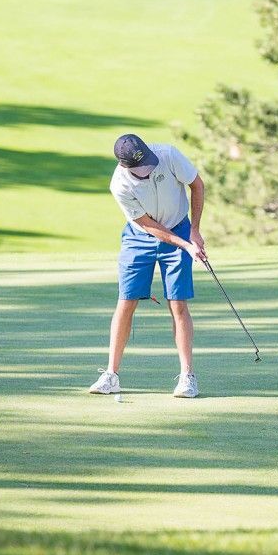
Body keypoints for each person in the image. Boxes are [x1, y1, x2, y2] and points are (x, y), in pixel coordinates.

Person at [88, 133, 208, 398]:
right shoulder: (119, 185)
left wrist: (195, 232)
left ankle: (188, 377)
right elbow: (148, 226)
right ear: (124, 166)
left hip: (179, 224)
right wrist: (186, 245)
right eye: (140, 172)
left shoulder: (167, 155)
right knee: (126, 301)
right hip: (139, 236)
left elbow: (197, 185)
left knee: (178, 303)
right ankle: (111, 375)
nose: (147, 173)